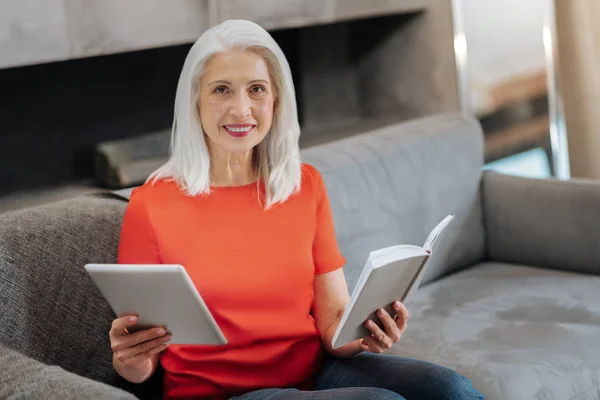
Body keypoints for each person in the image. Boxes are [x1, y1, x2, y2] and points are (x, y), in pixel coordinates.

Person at [111, 19, 485, 400]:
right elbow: (141, 366)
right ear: (195, 100)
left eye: (257, 89)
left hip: (312, 377)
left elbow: (333, 329)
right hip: (220, 395)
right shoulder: (151, 205)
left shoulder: (304, 186)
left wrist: (367, 332)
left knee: (450, 390)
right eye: (221, 90)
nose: (241, 110)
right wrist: (131, 361)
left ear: (276, 100)